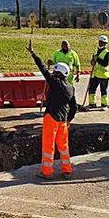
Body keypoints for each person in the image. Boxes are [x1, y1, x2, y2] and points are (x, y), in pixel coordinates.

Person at [27, 40, 77, 179]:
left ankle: (47, 172)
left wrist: (33, 53)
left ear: (59, 73)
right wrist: (69, 120)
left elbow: (43, 69)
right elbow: (74, 107)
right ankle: (67, 170)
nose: (53, 73)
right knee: (64, 146)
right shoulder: (70, 88)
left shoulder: (55, 83)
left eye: (55, 71)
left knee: (48, 146)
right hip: (63, 120)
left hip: (51, 118)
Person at [87, 35, 109, 110]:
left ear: (105, 44)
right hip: (95, 74)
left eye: (103, 42)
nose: (101, 43)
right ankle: (92, 103)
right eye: (100, 42)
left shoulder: (107, 53)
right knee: (91, 89)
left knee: (103, 90)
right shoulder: (96, 52)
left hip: (104, 75)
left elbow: (105, 63)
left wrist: (97, 59)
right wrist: (93, 61)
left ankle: (104, 105)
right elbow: (93, 62)